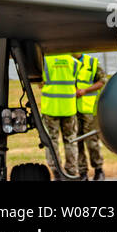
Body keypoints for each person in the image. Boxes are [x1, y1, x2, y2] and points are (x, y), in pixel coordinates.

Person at [40, 52, 79, 179]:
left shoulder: (45, 61)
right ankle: (71, 171)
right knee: (71, 140)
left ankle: (56, 171)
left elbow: (40, 83)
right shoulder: (73, 61)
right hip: (68, 108)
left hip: (51, 108)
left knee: (52, 141)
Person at [73, 51, 107, 181]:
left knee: (92, 141)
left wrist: (85, 90)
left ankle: (99, 170)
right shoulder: (66, 62)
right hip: (71, 110)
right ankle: (82, 173)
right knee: (77, 142)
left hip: (88, 109)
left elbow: (102, 80)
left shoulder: (91, 62)